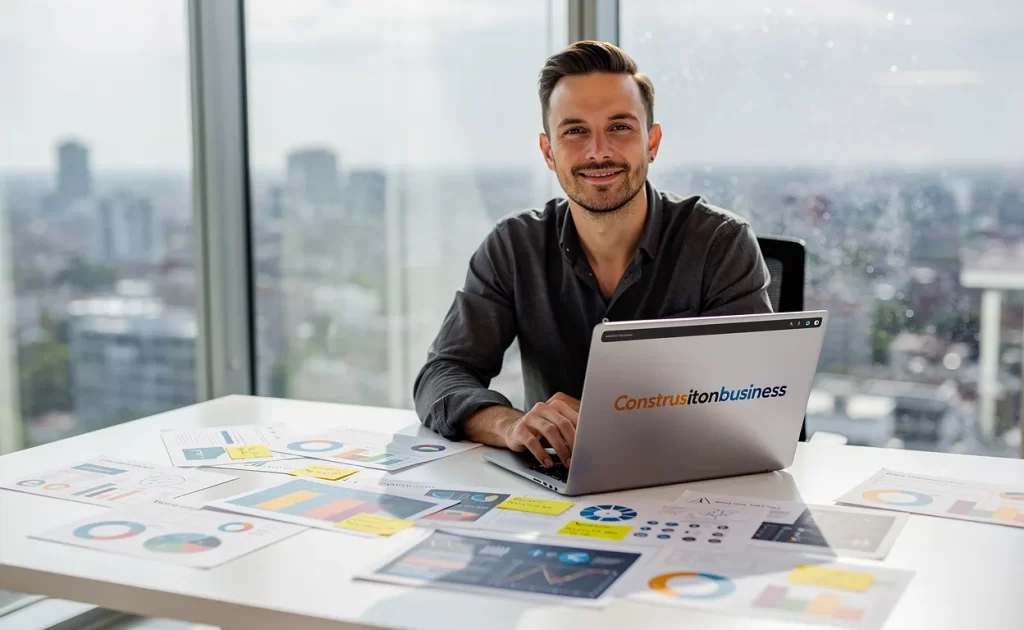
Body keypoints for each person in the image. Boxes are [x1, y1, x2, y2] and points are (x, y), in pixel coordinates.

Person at [413, 41, 772, 469]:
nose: (597, 151)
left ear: (651, 142)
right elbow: (442, 375)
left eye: (619, 127)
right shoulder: (514, 246)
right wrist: (511, 425)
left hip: (690, 482)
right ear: (549, 152)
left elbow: (754, 400)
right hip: (555, 489)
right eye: (575, 131)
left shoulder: (719, 244)